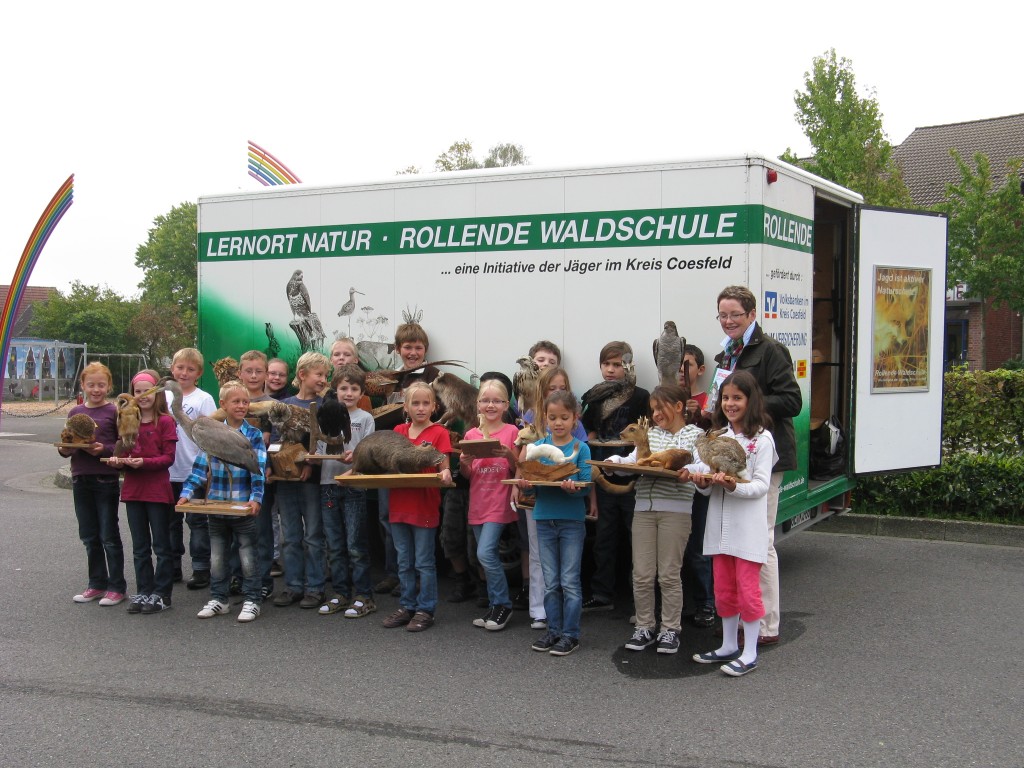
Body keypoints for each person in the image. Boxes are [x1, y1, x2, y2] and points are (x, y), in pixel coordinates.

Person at [710, 286, 801, 645]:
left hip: (764, 454)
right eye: (722, 315)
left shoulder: (771, 350)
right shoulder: (726, 355)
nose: (728, 320)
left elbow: (792, 400)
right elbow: (726, 402)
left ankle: (766, 624)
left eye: (735, 314)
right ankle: (741, 618)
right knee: (734, 542)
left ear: (751, 315)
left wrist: (749, 406)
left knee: (760, 542)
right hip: (732, 457)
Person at [683, 370, 776, 676]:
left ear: (751, 400)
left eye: (737, 398)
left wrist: (735, 487)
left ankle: (749, 652)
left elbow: (761, 485)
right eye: (725, 398)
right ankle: (728, 645)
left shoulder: (762, 439)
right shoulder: (719, 436)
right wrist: (697, 478)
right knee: (723, 590)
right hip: (719, 531)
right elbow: (706, 476)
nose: (730, 404)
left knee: (748, 591)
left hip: (748, 532)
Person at [602, 384, 703, 654]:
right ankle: (644, 626)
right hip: (644, 511)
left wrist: (689, 470)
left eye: (661, 408)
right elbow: (633, 461)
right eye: (653, 409)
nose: (656, 414)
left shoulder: (695, 435)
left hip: (677, 511)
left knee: (669, 574)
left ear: (679, 407)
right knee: (642, 573)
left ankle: (670, 629)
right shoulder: (650, 435)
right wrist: (612, 463)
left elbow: (702, 467)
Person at [178, 380, 267, 623]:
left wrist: (255, 499)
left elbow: (257, 471)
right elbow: (199, 467)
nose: (241, 405)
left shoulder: (254, 434)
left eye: (245, 402)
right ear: (223, 404)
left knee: (248, 555)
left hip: (242, 508)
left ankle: (252, 600)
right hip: (216, 506)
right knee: (217, 557)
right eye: (236, 401)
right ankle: (219, 598)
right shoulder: (207, 430)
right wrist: (187, 492)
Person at [519, 390, 592, 657]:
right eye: (552, 417)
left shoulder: (581, 448)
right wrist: (527, 484)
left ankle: (571, 635)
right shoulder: (537, 447)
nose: (558, 422)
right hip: (543, 518)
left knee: (569, 581)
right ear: (545, 419)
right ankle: (554, 630)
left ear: (575, 418)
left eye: (564, 417)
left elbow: (585, 485)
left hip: (572, 520)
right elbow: (533, 483)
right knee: (550, 582)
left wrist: (575, 488)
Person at [580, 341, 650, 612]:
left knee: (637, 538)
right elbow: (589, 431)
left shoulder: (641, 396)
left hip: (634, 478)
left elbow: (648, 433)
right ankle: (602, 593)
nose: (611, 370)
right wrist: (596, 449)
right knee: (604, 537)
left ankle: (639, 599)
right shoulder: (596, 396)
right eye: (606, 364)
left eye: (617, 364)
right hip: (606, 476)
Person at [380, 381, 453, 632]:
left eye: (425, 403)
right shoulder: (398, 431)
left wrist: (445, 474)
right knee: (404, 561)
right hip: (399, 505)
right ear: (406, 407)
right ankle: (408, 606)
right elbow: (384, 458)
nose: (420, 408)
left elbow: (444, 462)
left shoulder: (439, 433)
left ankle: (425, 609)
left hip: (424, 505)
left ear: (434, 406)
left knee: (423, 561)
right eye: (415, 403)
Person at [375, 322, 440, 596]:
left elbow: (441, 411)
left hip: (419, 455)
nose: (412, 352)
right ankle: (396, 573)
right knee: (388, 516)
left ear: (425, 349)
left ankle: (417, 581)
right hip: (389, 456)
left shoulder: (436, 375)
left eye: (418, 347)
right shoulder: (389, 377)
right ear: (398, 349)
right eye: (407, 347)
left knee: (417, 517)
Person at [108, 370, 177, 614]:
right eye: (138, 391)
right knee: (139, 546)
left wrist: (143, 463)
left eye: (148, 391)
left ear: (157, 394)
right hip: (133, 491)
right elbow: (124, 452)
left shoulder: (165, 422)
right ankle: (144, 590)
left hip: (157, 491)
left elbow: (168, 458)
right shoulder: (128, 420)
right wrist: (119, 462)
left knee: (161, 545)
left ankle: (162, 594)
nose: (143, 396)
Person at [59, 362, 126, 606]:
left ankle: (117, 587)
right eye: (91, 385)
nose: (96, 389)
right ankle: (96, 584)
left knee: (108, 534)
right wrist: (66, 449)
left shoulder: (113, 411)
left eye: (101, 385)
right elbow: (67, 446)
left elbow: (121, 444)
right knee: (89, 536)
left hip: (105, 478)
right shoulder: (74, 412)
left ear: (109, 385)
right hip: (80, 477)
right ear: (83, 385)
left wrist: (104, 449)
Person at [460, 378, 520, 631]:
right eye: (486, 400)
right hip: (478, 502)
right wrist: (464, 462)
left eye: (496, 401)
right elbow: (468, 475)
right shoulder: (471, 434)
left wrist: (508, 454)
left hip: (500, 501)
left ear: (506, 405)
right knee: (485, 556)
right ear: (478, 405)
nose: (491, 405)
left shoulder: (512, 432)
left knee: (485, 553)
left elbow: (519, 468)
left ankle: (504, 605)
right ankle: (495, 605)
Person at [317, 365, 377, 618]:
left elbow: (370, 451)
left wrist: (357, 457)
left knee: (355, 544)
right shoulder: (323, 413)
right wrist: (311, 458)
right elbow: (318, 448)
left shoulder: (365, 418)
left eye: (354, 388)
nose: (349, 393)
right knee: (335, 544)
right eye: (344, 388)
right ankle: (340, 593)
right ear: (335, 390)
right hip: (328, 485)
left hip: (354, 486)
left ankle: (364, 595)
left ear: (362, 392)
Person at [273, 351, 330, 609]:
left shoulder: (324, 405)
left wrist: (309, 463)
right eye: (319, 374)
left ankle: (315, 587)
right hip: (285, 479)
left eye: (325, 375)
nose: (323, 379)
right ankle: (293, 585)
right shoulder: (283, 404)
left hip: (311, 479)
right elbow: (278, 441)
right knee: (290, 535)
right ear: (303, 375)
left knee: (314, 535)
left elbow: (324, 441)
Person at [166, 347, 216, 590]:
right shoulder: (163, 397)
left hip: (192, 470)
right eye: (180, 368)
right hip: (166, 470)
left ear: (199, 373)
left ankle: (200, 568)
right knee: (170, 522)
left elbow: (210, 434)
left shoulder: (203, 399)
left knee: (197, 521)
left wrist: (206, 467)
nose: (184, 373)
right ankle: (173, 565)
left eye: (190, 369)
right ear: (172, 369)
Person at [679, 343, 716, 628]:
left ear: (700, 370)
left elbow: (715, 436)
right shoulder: (667, 398)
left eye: (687, 364)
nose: (681, 370)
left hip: (699, 484)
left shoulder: (709, 400)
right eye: (677, 365)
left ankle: (706, 603)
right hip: (675, 486)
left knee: (698, 548)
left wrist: (700, 416)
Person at [329, 338, 373, 411]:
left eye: (347, 355)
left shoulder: (363, 398)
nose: (341, 358)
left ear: (356, 360)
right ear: (331, 360)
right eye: (336, 354)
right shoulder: (324, 390)